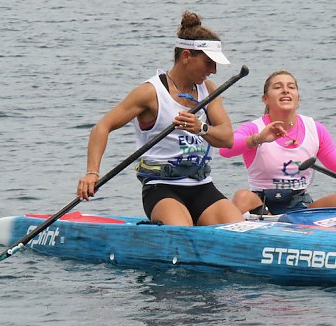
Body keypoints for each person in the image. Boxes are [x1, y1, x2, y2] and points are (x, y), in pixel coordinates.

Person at [76, 12, 244, 226]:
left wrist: (200, 128)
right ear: (186, 56)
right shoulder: (150, 93)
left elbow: (227, 138)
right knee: (182, 232)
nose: (213, 71)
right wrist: (92, 173)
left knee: (238, 227)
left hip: (202, 185)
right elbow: (102, 127)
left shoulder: (208, 90)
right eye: (208, 63)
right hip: (161, 187)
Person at [219, 70, 336, 215]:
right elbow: (225, 150)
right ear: (265, 99)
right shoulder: (254, 128)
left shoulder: (316, 129)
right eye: (278, 87)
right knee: (242, 196)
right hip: (262, 205)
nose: (285, 91)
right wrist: (258, 139)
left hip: (301, 207)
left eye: (291, 87)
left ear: (298, 98)